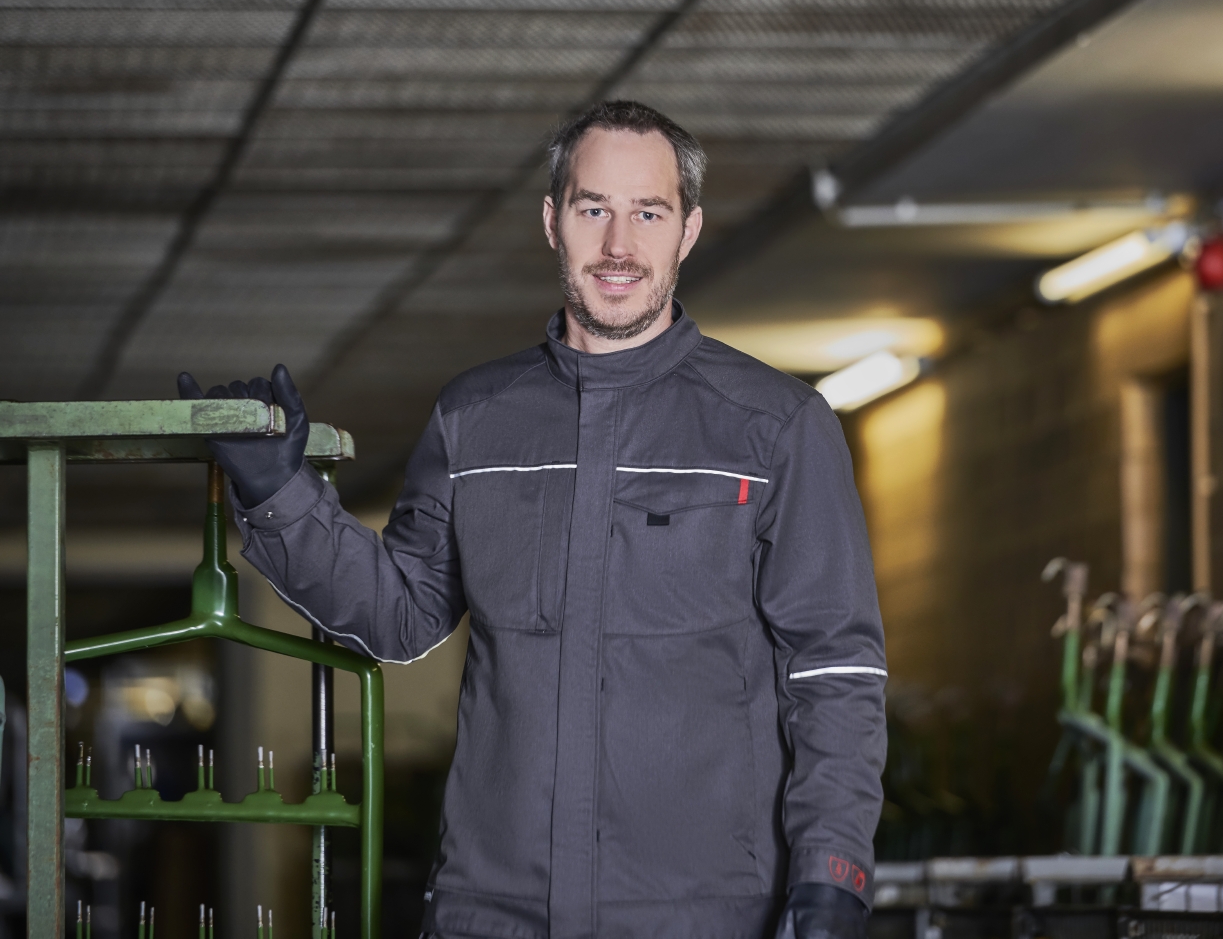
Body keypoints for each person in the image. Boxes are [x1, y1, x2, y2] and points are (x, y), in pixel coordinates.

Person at [179, 101, 885, 939]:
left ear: (688, 231)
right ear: (552, 221)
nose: (618, 245)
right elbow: (401, 616)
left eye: (648, 213)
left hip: (704, 913)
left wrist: (833, 872)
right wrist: (278, 493)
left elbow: (834, 670)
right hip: (494, 911)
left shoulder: (774, 427)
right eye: (593, 209)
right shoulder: (475, 419)